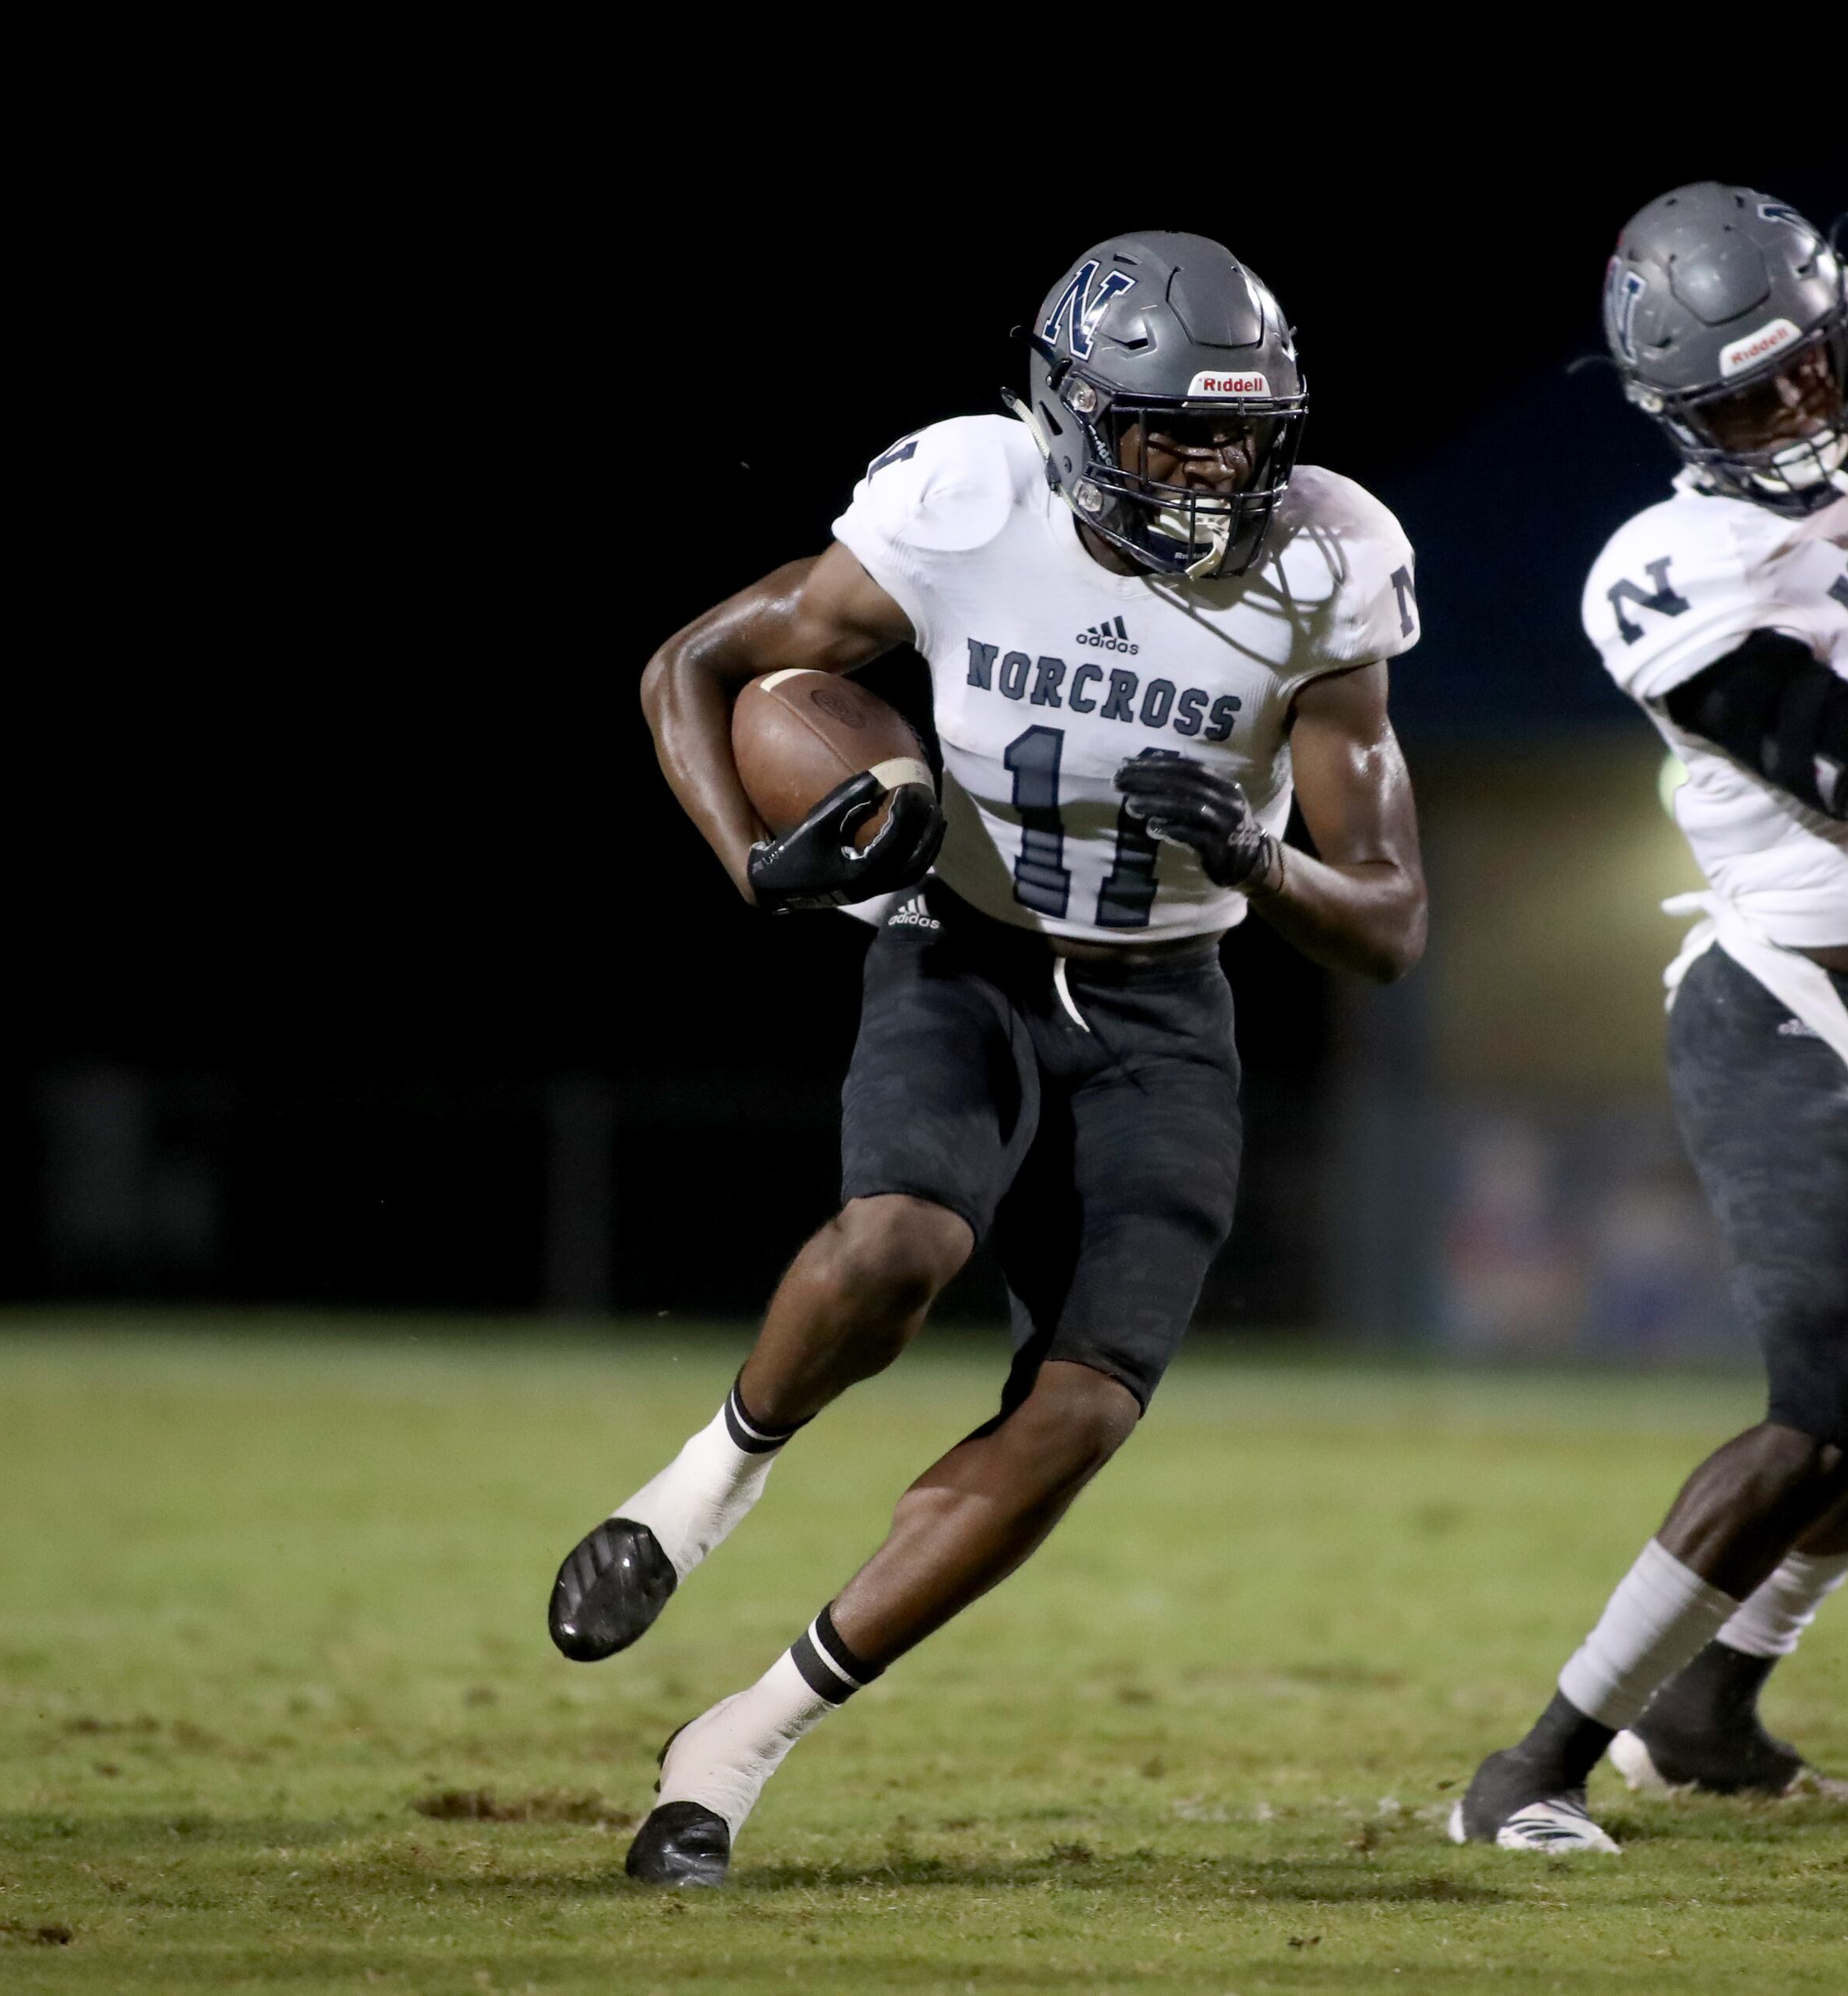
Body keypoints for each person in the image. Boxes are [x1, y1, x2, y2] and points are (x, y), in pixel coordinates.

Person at [546, 233, 1429, 1885]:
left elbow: (1388, 921)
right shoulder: (966, 498)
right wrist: (757, 862)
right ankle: (696, 1493)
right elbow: (701, 665)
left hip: (1168, 1000)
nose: (1207, 468)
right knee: (899, 1242)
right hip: (959, 950)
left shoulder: (1330, 565)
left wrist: (1261, 865)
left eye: (1236, 435)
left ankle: (734, 1746)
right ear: (1072, 412)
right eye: (1168, 429)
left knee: (1083, 1413)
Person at [1450, 185, 1848, 1853]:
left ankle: (1713, 1705)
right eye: (1734, 402)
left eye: (1798, 378)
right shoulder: (1672, 568)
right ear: (1671, 418)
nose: (1782, 417)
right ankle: (1533, 1768)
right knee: (1835, 1392)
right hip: (1783, 998)